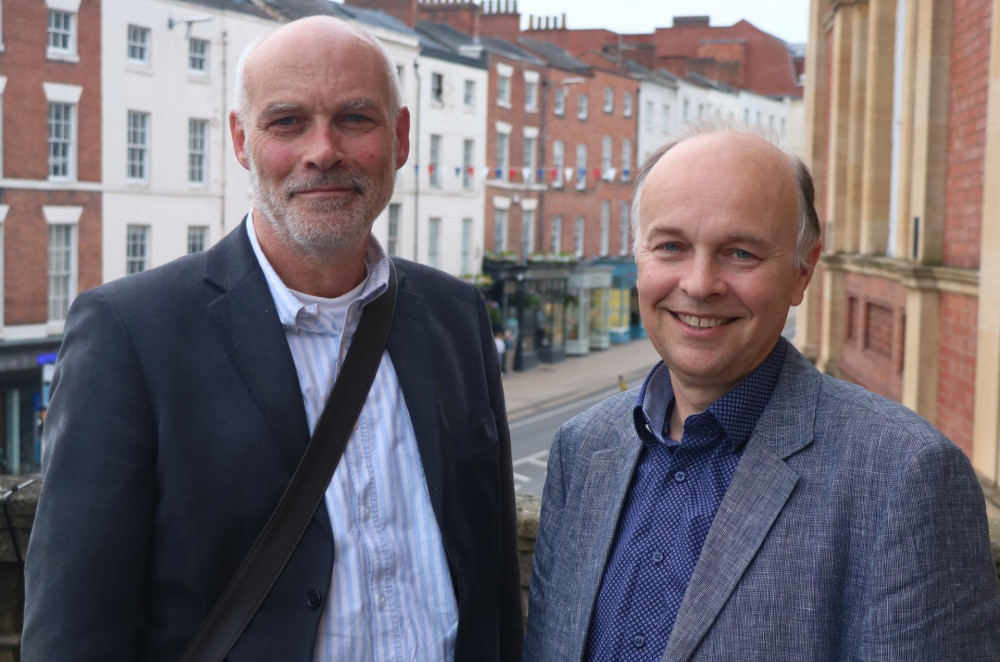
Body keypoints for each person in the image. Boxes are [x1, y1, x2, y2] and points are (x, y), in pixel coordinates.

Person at [23, 16, 522, 661]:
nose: (323, 151)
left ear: (399, 137)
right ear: (241, 140)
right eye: (287, 122)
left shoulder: (456, 314)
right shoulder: (131, 335)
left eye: (355, 118)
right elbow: (74, 632)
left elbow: (495, 578)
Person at [523, 120, 1000, 661]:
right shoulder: (581, 448)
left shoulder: (905, 475)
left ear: (803, 271)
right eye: (671, 246)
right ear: (639, 256)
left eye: (741, 253)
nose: (700, 284)